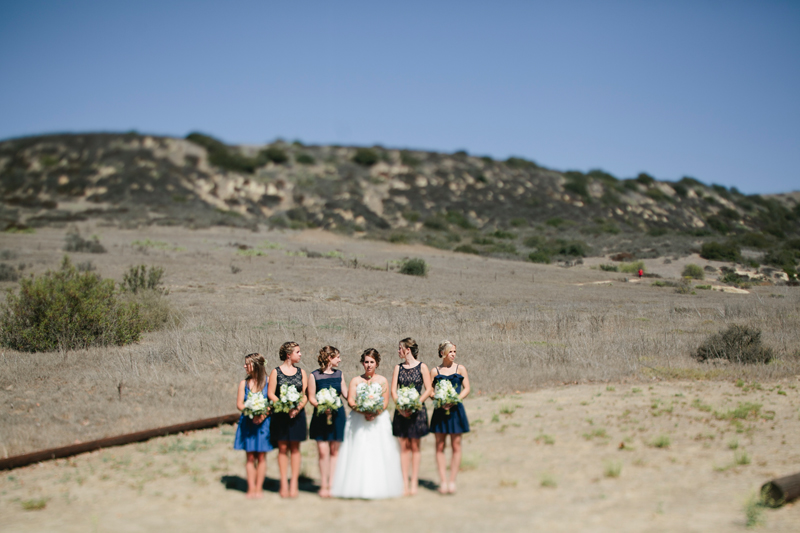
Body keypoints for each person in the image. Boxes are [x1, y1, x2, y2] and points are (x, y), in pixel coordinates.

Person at [330, 348, 404, 499]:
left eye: (372, 362)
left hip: (378, 420)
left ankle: (380, 488)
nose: (369, 365)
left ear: (376, 363)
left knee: (378, 451)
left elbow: (385, 402)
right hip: (359, 419)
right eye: (366, 362)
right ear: (362, 363)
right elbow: (350, 400)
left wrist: (375, 412)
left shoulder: (382, 380)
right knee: (359, 450)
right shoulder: (356, 381)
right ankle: (355, 488)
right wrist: (363, 411)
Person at [391, 337, 431, 496]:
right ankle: (404, 484)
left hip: (417, 411)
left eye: (400, 348)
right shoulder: (397, 368)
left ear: (408, 350)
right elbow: (394, 390)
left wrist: (416, 404)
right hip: (401, 411)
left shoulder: (422, 366)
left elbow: (428, 389)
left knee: (415, 447)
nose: (398, 351)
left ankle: (414, 482)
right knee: (403, 447)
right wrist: (400, 406)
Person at [267, 341, 308, 498]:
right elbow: (271, 393)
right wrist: (284, 407)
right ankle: (283, 482)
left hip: (297, 415)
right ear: (288, 354)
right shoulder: (275, 372)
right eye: (298, 352)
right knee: (283, 448)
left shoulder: (302, 372)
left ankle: (294, 483)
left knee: (295, 448)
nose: (300, 354)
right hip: (280, 415)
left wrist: (297, 408)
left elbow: (305, 395)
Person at [429, 340, 470, 495]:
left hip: (456, 411)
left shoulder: (460, 369)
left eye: (454, 351)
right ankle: (443, 482)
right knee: (439, 446)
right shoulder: (434, 371)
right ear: (442, 353)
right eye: (450, 351)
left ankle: (452, 481)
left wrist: (455, 399)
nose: (453, 354)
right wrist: (438, 398)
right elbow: (430, 391)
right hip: (440, 411)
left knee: (456, 446)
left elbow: (467, 388)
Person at [307, 345, 347, 498]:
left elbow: (345, 393)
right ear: (330, 358)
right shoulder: (314, 375)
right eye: (337, 357)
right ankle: (323, 484)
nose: (340, 359)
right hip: (320, 416)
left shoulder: (340, 374)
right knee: (323, 452)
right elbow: (311, 397)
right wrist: (322, 406)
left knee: (334, 451)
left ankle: (333, 485)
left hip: (338, 415)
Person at [234, 352, 273, 499]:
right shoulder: (243, 384)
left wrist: (262, 414)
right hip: (248, 424)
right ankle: (250, 488)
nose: (244, 366)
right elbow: (239, 404)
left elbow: (272, 401)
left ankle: (259, 488)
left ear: (256, 365)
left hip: (263, 424)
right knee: (250, 457)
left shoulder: (268, 382)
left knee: (261, 457)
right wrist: (251, 412)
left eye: (247, 363)